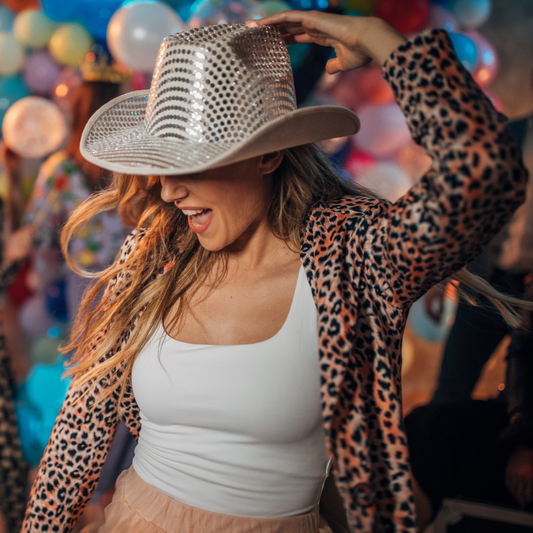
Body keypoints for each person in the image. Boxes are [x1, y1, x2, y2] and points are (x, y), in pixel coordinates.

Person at [21, 11, 530, 533]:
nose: (170, 191)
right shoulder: (154, 252)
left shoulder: (353, 260)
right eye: (163, 163)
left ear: (266, 157)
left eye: (194, 161)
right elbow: (79, 429)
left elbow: (487, 170)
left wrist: (378, 38)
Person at [406, 272, 533, 531]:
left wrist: (526, 443)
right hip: (493, 277)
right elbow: (522, 352)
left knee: (430, 430)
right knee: (425, 422)